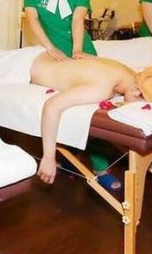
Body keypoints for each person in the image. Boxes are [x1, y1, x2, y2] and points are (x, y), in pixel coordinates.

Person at [24, 0, 119, 189]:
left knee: (92, 106)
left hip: (81, 50)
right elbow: (32, 21)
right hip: (54, 54)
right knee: (66, 104)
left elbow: (78, 21)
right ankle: (68, 153)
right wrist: (49, 48)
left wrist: (78, 50)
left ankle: (100, 167)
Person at [30, 52, 142, 184]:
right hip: (26, 66)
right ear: (137, 91)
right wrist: (48, 157)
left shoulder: (126, 71)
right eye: (142, 102)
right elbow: (52, 106)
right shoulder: (102, 88)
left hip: (41, 56)